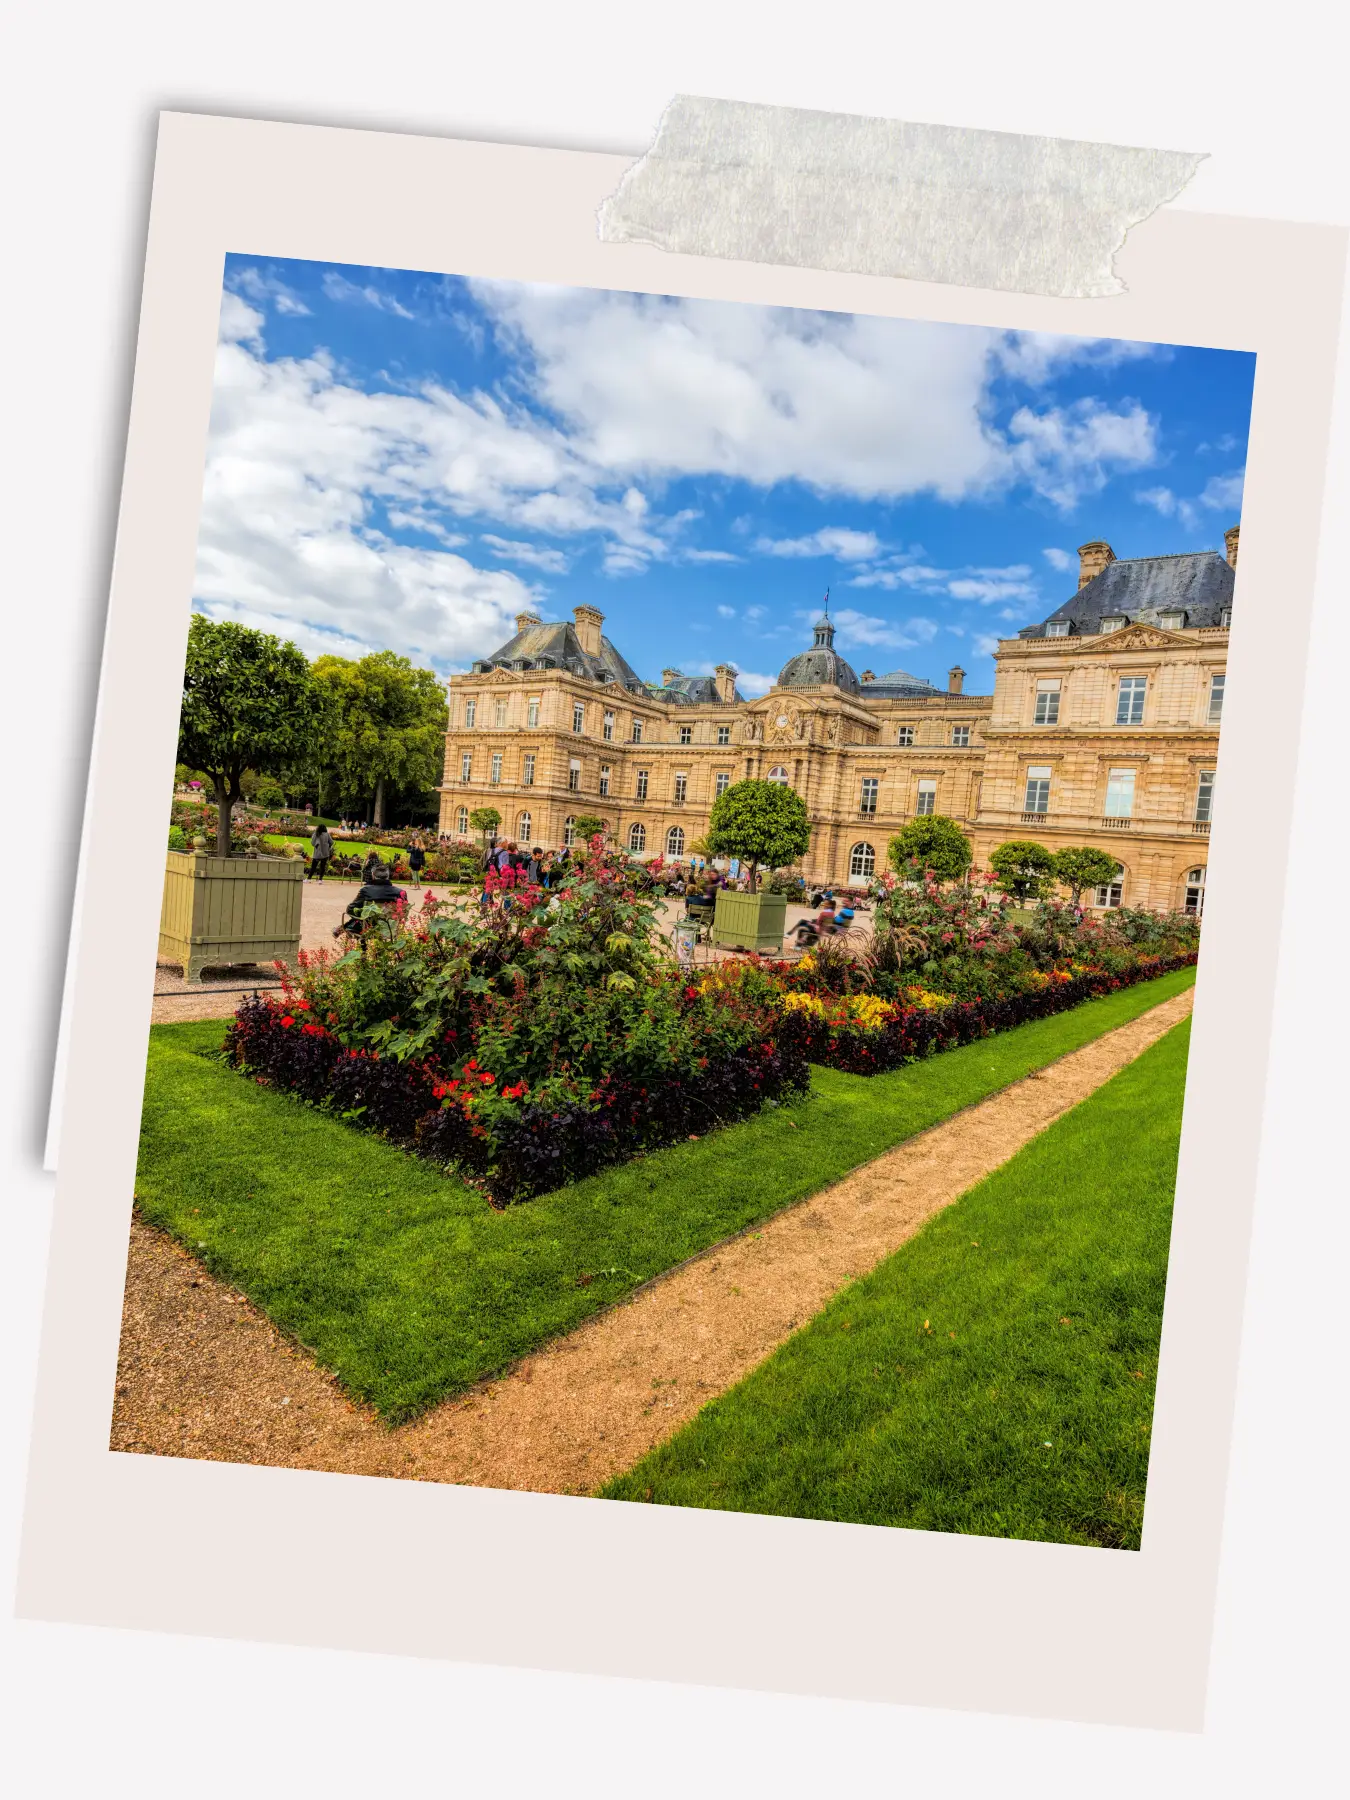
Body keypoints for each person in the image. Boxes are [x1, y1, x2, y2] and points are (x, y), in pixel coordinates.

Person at [333, 862, 407, 938]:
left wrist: (363, 914)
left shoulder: (366, 890)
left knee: (363, 917)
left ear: (373, 875)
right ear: (388, 876)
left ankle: (342, 928)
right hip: (391, 929)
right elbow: (402, 913)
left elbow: (350, 909)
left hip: (369, 929)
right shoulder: (400, 893)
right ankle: (341, 928)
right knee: (369, 916)